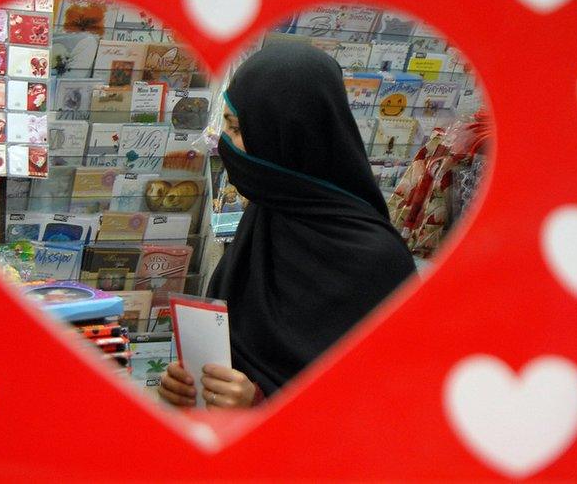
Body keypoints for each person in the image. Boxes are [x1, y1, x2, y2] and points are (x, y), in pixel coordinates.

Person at [158, 43, 417, 409]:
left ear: (288, 136)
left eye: (236, 128)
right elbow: (229, 347)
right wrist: (189, 384)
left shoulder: (378, 263)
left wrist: (261, 405)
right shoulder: (266, 217)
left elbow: (383, 405)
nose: (227, 145)